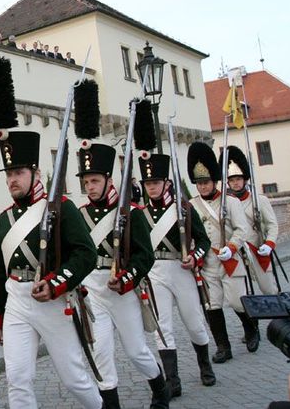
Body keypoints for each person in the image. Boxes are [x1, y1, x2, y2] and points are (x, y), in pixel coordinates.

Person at [0, 131, 102, 409]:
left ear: (35, 173)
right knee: (17, 378)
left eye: (18, 172)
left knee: (74, 378)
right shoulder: (5, 219)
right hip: (17, 301)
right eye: (9, 173)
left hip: (54, 301)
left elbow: (86, 254)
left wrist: (56, 283)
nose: (12, 179)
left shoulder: (62, 208)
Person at [77, 142, 169, 409]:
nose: (90, 186)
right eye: (86, 181)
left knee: (136, 351)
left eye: (94, 180)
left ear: (108, 180)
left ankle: (160, 388)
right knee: (101, 352)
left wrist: (127, 278)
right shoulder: (81, 215)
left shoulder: (131, 213)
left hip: (123, 292)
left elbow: (145, 256)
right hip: (93, 291)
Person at [139, 154, 216, 397]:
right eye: (147, 183)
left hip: (180, 270)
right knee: (163, 328)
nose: (151, 187)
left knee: (194, 323)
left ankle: (205, 364)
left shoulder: (184, 209)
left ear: (166, 183)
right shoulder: (140, 214)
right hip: (155, 273)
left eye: (155, 183)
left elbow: (203, 241)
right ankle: (173, 380)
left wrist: (195, 257)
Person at [187, 141, 256, 363]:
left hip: (230, 260)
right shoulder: (191, 205)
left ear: (214, 181)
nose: (203, 187)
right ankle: (223, 347)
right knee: (212, 305)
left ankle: (251, 328)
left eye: (206, 182)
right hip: (207, 263)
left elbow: (242, 229)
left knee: (236, 302)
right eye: (199, 183)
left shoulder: (230, 201)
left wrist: (232, 247)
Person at [221, 145, 279, 295]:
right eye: (232, 180)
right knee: (243, 296)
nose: (235, 183)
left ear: (244, 179)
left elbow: (272, 226)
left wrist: (269, 244)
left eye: (238, 179)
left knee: (270, 291)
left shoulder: (259, 200)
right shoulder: (225, 204)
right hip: (237, 252)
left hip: (257, 249)